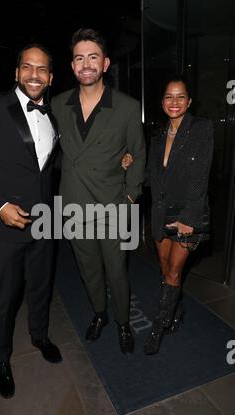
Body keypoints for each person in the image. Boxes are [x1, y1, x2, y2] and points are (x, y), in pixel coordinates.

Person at [0, 43, 62, 399]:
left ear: (50, 77)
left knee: (40, 286)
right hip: (5, 225)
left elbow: (45, 168)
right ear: (17, 72)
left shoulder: (52, 115)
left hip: (45, 222)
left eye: (43, 69)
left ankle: (40, 335)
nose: (35, 75)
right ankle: (1, 358)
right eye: (28, 68)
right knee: (6, 295)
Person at [51, 28, 146, 355]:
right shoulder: (58, 104)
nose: (86, 64)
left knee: (116, 270)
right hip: (75, 205)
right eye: (79, 58)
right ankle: (99, 314)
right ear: (73, 65)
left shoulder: (127, 107)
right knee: (87, 268)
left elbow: (138, 153)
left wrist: (131, 196)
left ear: (105, 64)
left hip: (113, 206)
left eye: (93, 57)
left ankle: (122, 321)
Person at [143, 77, 213, 355]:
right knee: (165, 267)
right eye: (169, 97)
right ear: (162, 103)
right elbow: (151, 178)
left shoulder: (201, 129)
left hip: (187, 214)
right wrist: (129, 164)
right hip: (161, 214)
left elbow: (201, 177)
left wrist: (189, 217)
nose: (174, 102)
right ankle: (175, 308)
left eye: (180, 96)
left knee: (173, 269)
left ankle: (159, 324)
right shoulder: (158, 137)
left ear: (189, 101)